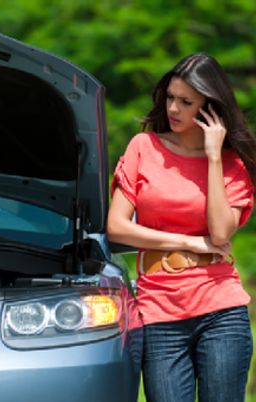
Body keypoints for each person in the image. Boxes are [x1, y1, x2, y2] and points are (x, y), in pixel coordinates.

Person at [107, 53, 256, 402]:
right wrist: (190, 243)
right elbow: (116, 228)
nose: (173, 108)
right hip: (159, 309)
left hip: (221, 309)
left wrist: (214, 157)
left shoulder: (233, 163)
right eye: (170, 98)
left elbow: (220, 234)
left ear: (209, 109)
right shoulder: (143, 147)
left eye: (186, 102)